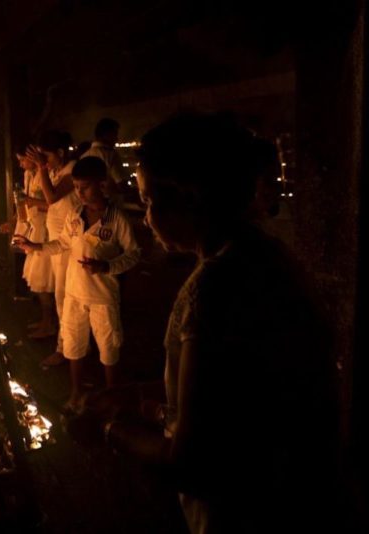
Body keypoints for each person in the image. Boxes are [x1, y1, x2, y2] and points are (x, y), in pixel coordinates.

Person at [100, 112, 337, 533]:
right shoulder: (262, 257)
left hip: (246, 510)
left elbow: (190, 464)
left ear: (190, 198)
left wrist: (113, 430)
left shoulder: (215, 289)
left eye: (151, 200)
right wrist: (134, 394)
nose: (147, 216)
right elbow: (223, 386)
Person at [16, 157, 140, 412]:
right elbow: (62, 243)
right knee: (73, 345)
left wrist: (107, 267)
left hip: (103, 297)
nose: (79, 192)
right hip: (74, 293)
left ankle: (111, 399)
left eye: (84, 187)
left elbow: (134, 253)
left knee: (108, 349)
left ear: (101, 185)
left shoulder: (116, 219)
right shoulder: (75, 215)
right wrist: (35, 247)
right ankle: (76, 393)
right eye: (76, 186)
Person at [25, 130, 80, 366]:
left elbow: (52, 199)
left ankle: (66, 349)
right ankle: (67, 346)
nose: (44, 160)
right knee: (61, 297)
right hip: (59, 242)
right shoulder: (58, 170)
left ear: (60, 152)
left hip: (69, 245)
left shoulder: (73, 170)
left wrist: (41, 168)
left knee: (64, 298)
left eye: (46, 156)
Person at [0, 145, 55, 333]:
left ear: (33, 156)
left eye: (22, 159)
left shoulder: (45, 174)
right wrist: (12, 221)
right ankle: (46, 320)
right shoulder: (27, 176)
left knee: (42, 280)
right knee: (37, 281)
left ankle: (50, 323)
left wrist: (32, 202)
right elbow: (23, 203)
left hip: (45, 232)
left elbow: (54, 205)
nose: (21, 164)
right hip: (33, 229)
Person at [81, 118, 127, 203]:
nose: (116, 139)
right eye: (115, 134)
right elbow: (121, 185)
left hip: (89, 206)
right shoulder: (111, 155)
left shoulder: (83, 156)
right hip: (110, 205)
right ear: (106, 135)